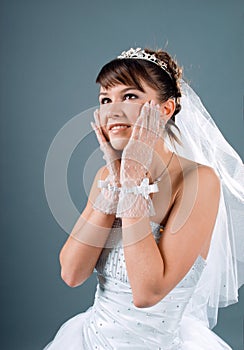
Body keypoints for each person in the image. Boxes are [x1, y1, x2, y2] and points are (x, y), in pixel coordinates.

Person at [43, 47, 244, 349]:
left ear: (165, 109)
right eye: (105, 99)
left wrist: (135, 182)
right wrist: (116, 182)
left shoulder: (198, 182)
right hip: (88, 340)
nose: (113, 111)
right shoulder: (105, 179)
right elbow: (71, 273)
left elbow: (147, 293)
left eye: (130, 96)